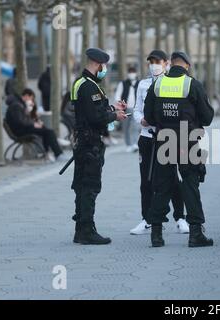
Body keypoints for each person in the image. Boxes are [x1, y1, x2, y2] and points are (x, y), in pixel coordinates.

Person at [144, 51, 214, 247]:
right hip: (187, 140)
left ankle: (156, 234)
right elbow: (207, 117)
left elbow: (149, 117)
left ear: (170, 64)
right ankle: (195, 234)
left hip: (163, 141)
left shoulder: (157, 84)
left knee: (162, 187)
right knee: (190, 184)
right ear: (187, 65)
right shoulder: (192, 84)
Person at [70, 48, 128, 245]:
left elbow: (92, 111)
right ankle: (87, 230)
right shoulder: (89, 86)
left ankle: (80, 230)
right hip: (90, 143)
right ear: (98, 64)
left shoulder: (83, 83)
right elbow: (95, 117)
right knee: (89, 186)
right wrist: (115, 116)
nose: (105, 70)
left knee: (81, 185)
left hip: (83, 141)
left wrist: (113, 109)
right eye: (104, 66)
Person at [130, 50, 187, 236]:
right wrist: (141, 120)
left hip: (166, 137)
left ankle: (180, 218)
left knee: (172, 178)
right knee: (145, 181)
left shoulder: (172, 82)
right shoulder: (143, 84)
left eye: (157, 61)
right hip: (146, 137)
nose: (154, 65)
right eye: (151, 61)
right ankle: (147, 219)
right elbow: (137, 109)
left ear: (166, 63)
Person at [5, 88, 68, 162]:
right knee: (48, 132)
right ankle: (57, 153)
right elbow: (20, 121)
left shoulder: (18, 104)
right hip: (20, 131)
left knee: (46, 131)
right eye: (31, 99)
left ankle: (50, 151)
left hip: (22, 129)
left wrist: (33, 120)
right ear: (26, 96)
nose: (31, 101)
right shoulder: (16, 106)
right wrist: (33, 124)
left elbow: (22, 120)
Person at [114, 66, 139, 152]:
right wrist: (120, 103)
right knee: (126, 127)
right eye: (130, 72)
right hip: (125, 109)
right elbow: (117, 95)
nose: (132, 74)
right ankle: (128, 144)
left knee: (135, 126)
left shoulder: (139, 83)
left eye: (133, 72)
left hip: (135, 108)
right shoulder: (123, 83)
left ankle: (135, 143)